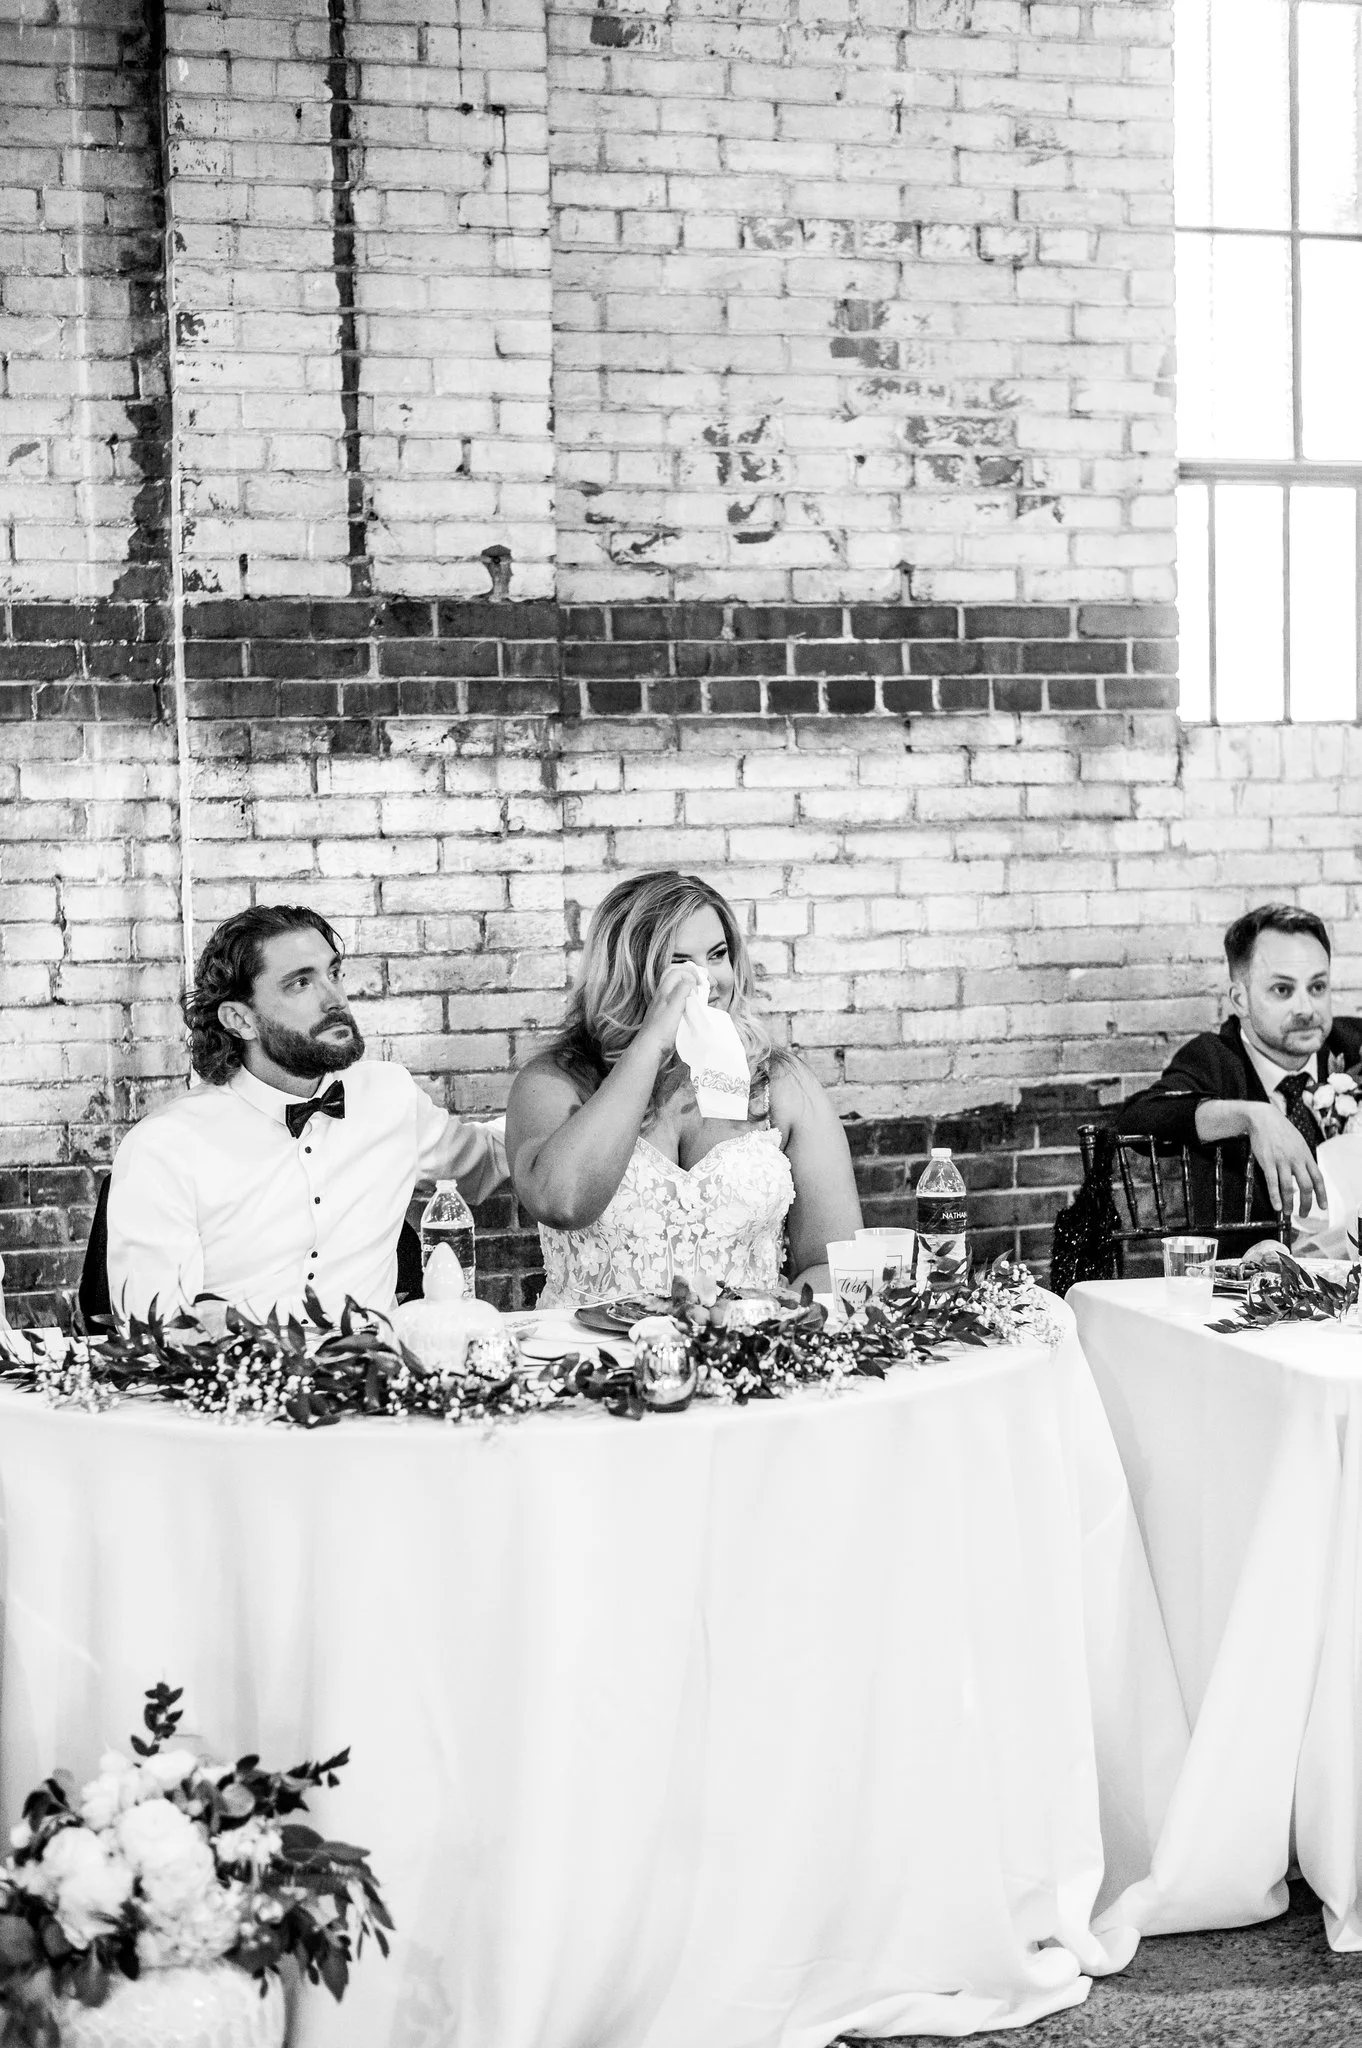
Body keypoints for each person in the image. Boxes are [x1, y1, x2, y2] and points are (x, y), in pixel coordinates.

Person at [106, 905, 507, 1324]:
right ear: (240, 1019)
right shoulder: (164, 1148)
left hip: (378, 1375)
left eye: (333, 973)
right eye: (300, 983)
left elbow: (490, 1159)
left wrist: (569, 1096)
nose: (334, 1000)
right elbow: (155, 1331)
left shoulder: (389, 1096)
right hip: (241, 1379)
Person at [506, 870, 862, 1306]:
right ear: (629, 973)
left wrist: (754, 1325)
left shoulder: (783, 1085)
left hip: (738, 1356)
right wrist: (653, 1041)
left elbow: (834, 1261)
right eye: (680, 963)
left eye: (717, 955)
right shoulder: (553, 1083)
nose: (707, 979)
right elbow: (562, 1202)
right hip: (593, 1360)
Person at [1119, 904, 1362, 1233]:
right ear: (1240, 999)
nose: (1306, 1009)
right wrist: (1252, 1116)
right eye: (1283, 990)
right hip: (1247, 1275)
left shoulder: (1353, 1044)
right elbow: (1135, 1119)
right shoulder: (1213, 1058)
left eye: (1317, 987)